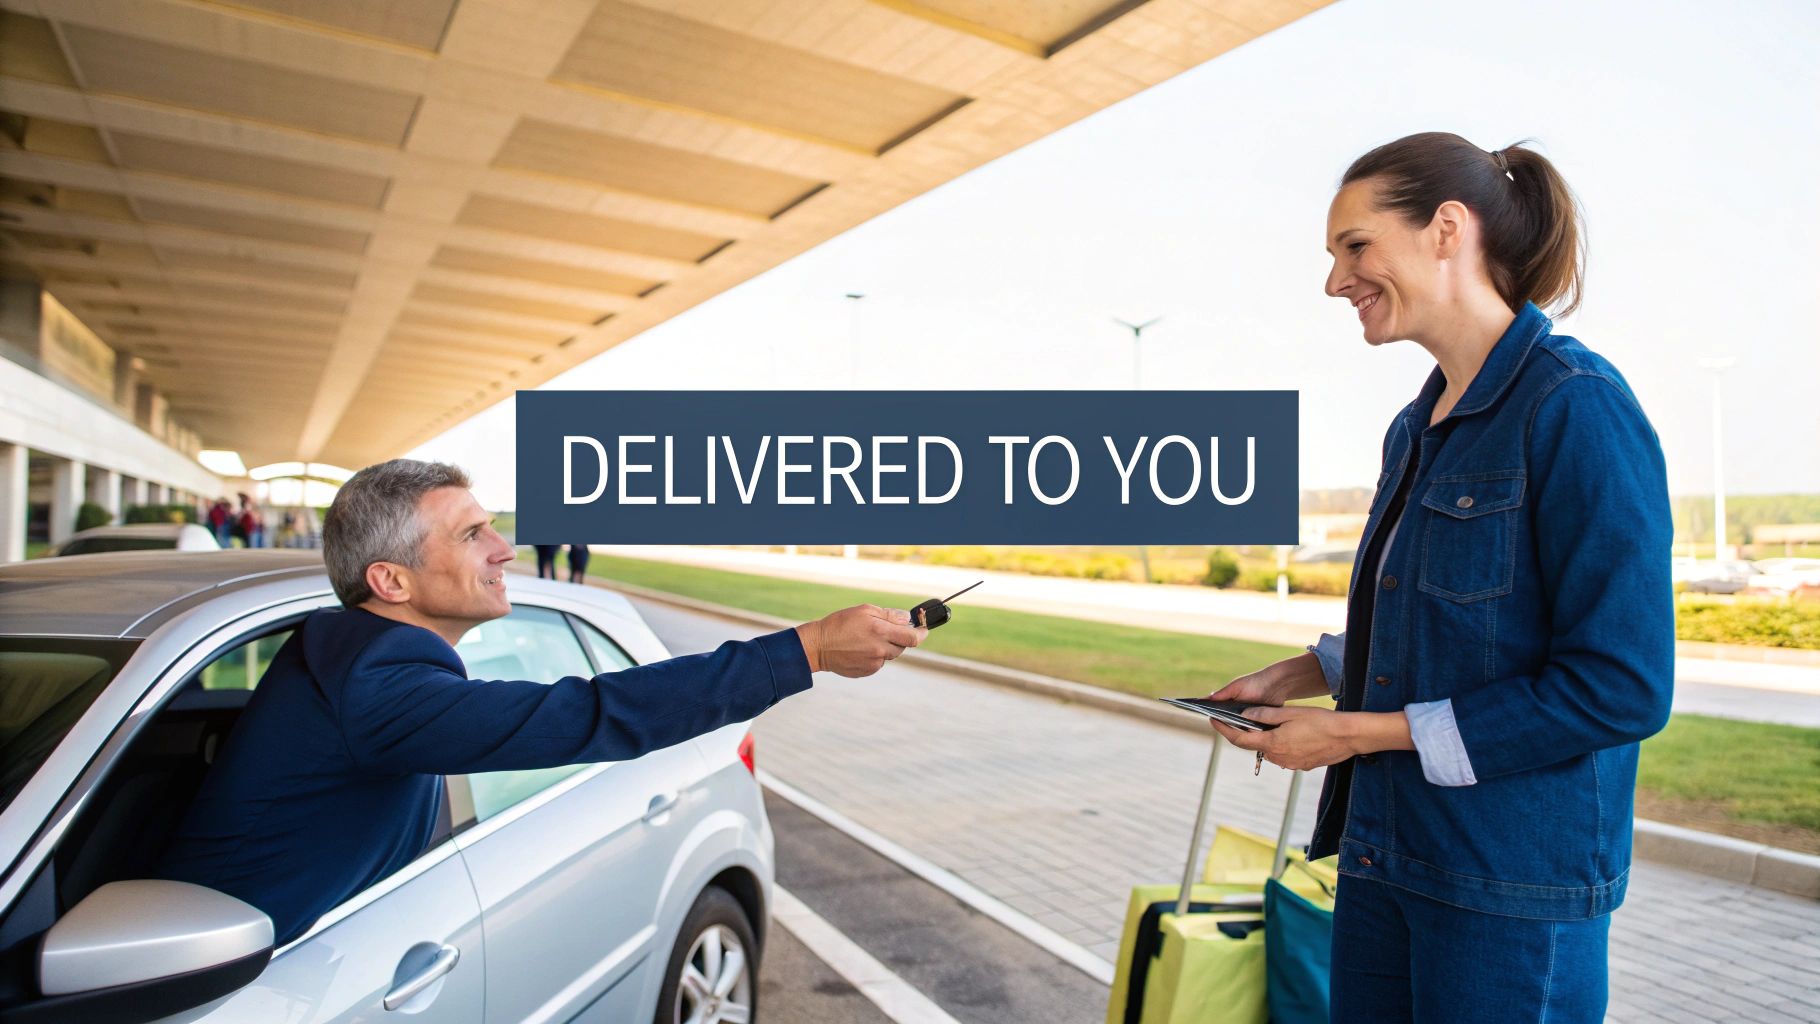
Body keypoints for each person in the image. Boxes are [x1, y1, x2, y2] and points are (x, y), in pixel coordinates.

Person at [1206, 133, 1672, 1023]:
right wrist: (1311, 672)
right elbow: (1458, 619)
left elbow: (1621, 689)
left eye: (1355, 247)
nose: (1336, 281)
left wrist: (1351, 735)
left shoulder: (1576, 408)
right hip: (1387, 860)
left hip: (1506, 893)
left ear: (1447, 229)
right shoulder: (1413, 429)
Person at [157, 459, 926, 945]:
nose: (506, 550)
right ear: (392, 582)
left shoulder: (361, 658)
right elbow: (589, 713)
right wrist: (811, 649)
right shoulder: (373, 683)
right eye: (473, 535)